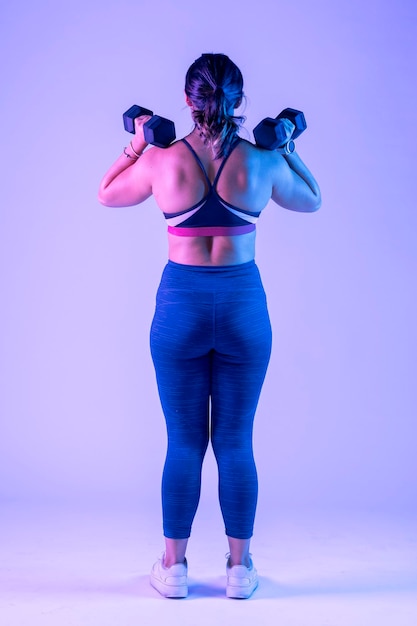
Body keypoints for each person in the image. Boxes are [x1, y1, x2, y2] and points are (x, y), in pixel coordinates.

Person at [98, 53, 321, 599]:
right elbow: (312, 199)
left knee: (184, 442)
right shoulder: (261, 162)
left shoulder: (162, 161)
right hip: (243, 307)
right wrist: (286, 141)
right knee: (235, 442)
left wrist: (138, 140)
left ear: (187, 99)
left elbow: (106, 191)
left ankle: (173, 569)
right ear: (239, 102)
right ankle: (240, 571)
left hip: (181, 308)